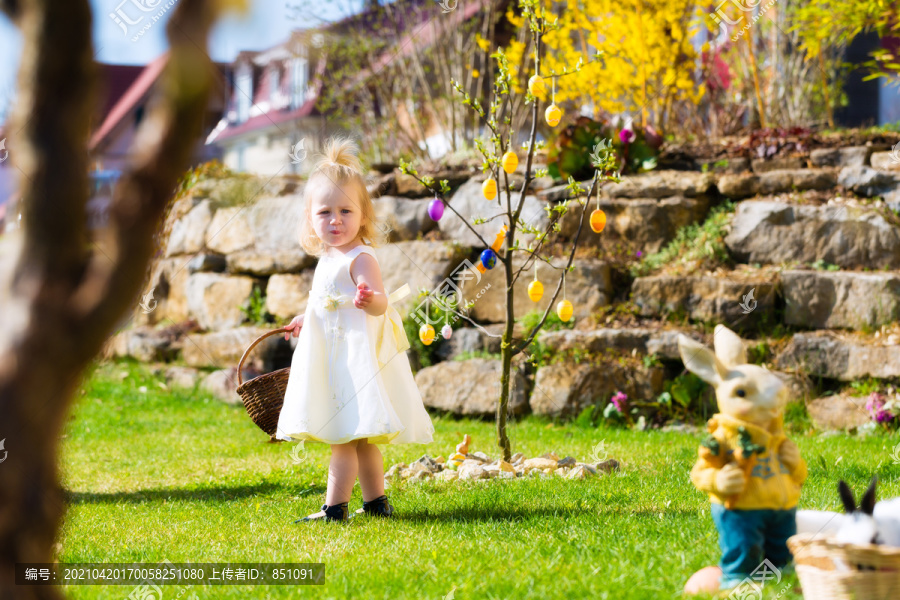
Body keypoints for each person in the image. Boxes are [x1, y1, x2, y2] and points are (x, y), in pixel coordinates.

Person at [276, 135, 434, 523]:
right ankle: (376, 503)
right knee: (357, 438)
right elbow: (322, 299)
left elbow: (381, 302)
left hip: (352, 362)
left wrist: (370, 299)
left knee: (342, 438)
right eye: (324, 212)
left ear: (363, 215)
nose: (335, 220)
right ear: (311, 218)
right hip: (333, 359)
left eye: (346, 211)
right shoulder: (328, 257)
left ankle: (335, 509)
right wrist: (303, 317)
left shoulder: (361, 257)